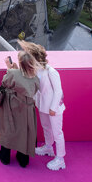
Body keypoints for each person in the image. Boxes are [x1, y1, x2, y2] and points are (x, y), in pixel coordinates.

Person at [19, 41, 67, 171]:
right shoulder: (36, 71)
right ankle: (48, 147)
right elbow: (37, 89)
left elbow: (58, 91)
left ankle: (60, 159)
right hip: (42, 106)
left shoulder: (51, 71)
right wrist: (35, 100)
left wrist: (53, 108)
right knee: (46, 127)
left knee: (57, 133)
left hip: (53, 108)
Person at [0, 50, 40, 168]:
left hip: (12, 105)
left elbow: (5, 82)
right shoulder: (35, 77)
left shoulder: (13, 73)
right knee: (24, 131)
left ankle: (4, 156)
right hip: (28, 108)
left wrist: (9, 69)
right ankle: (23, 159)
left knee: (8, 128)